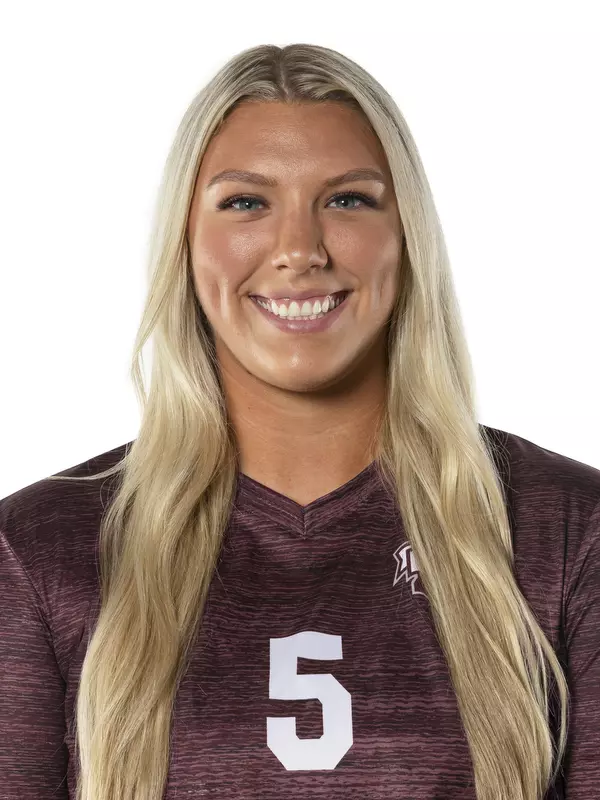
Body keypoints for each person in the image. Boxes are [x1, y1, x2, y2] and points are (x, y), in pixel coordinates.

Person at [0, 42, 598, 800]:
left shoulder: (572, 532)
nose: (298, 251)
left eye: (348, 199)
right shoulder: (38, 548)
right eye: (246, 202)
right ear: (186, 244)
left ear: (406, 236)